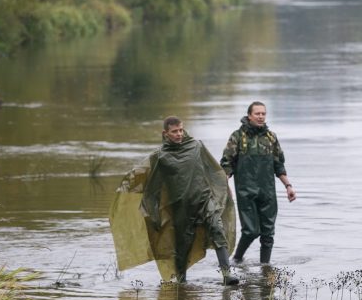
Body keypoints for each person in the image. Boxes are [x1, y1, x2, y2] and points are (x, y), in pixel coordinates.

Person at [111, 117, 239, 285]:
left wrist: (224, 187)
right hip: (180, 207)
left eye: (180, 130)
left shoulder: (196, 146)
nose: (179, 134)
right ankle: (181, 280)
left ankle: (227, 274)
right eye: (174, 131)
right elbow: (151, 184)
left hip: (204, 199)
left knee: (217, 229)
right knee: (182, 246)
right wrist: (129, 191)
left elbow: (213, 170)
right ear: (166, 133)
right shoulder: (160, 156)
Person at [220, 101, 295, 264]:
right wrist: (225, 187)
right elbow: (227, 164)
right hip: (246, 193)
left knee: (268, 233)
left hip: (267, 192)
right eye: (257, 114)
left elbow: (278, 164)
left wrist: (288, 186)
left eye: (263, 114)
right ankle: (237, 259)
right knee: (251, 231)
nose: (261, 117)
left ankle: (265, 269)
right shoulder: (237, 137)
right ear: (249, 116)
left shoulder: (271, 137)